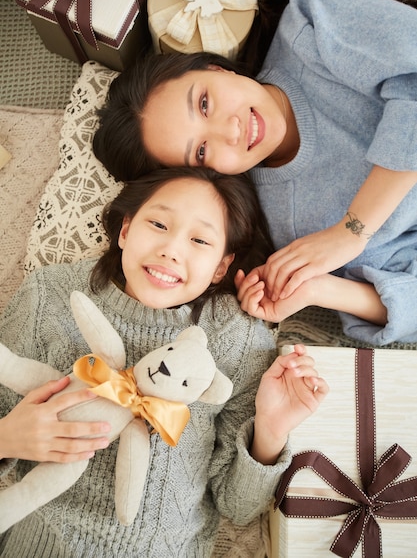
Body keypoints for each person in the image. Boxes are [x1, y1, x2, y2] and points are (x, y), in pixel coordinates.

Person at [92, 0, 417, 347]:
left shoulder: (311, 30)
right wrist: (318, 289)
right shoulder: (289, 226)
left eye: (205, 103)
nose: (231, 131)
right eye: (203, 151)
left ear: (216, 67)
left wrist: (351, 232)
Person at [0, 167, 328, 557]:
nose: (171, 249)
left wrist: (270, 432)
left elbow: (238, 508)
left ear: (221, 267)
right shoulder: (52, 296)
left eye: (199, 239)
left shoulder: (236, 340)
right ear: (125, 230)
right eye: (158, 224)